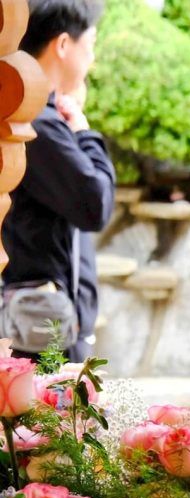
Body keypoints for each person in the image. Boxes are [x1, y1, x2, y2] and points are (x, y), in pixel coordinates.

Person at [3, 0, 114, 362]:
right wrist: (85, 133)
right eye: (91, 45)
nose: (92, 59)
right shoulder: (38, 122)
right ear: (63, 45)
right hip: (39, 325)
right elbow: (95, 203)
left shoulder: (38, 115)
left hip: (41, 317)